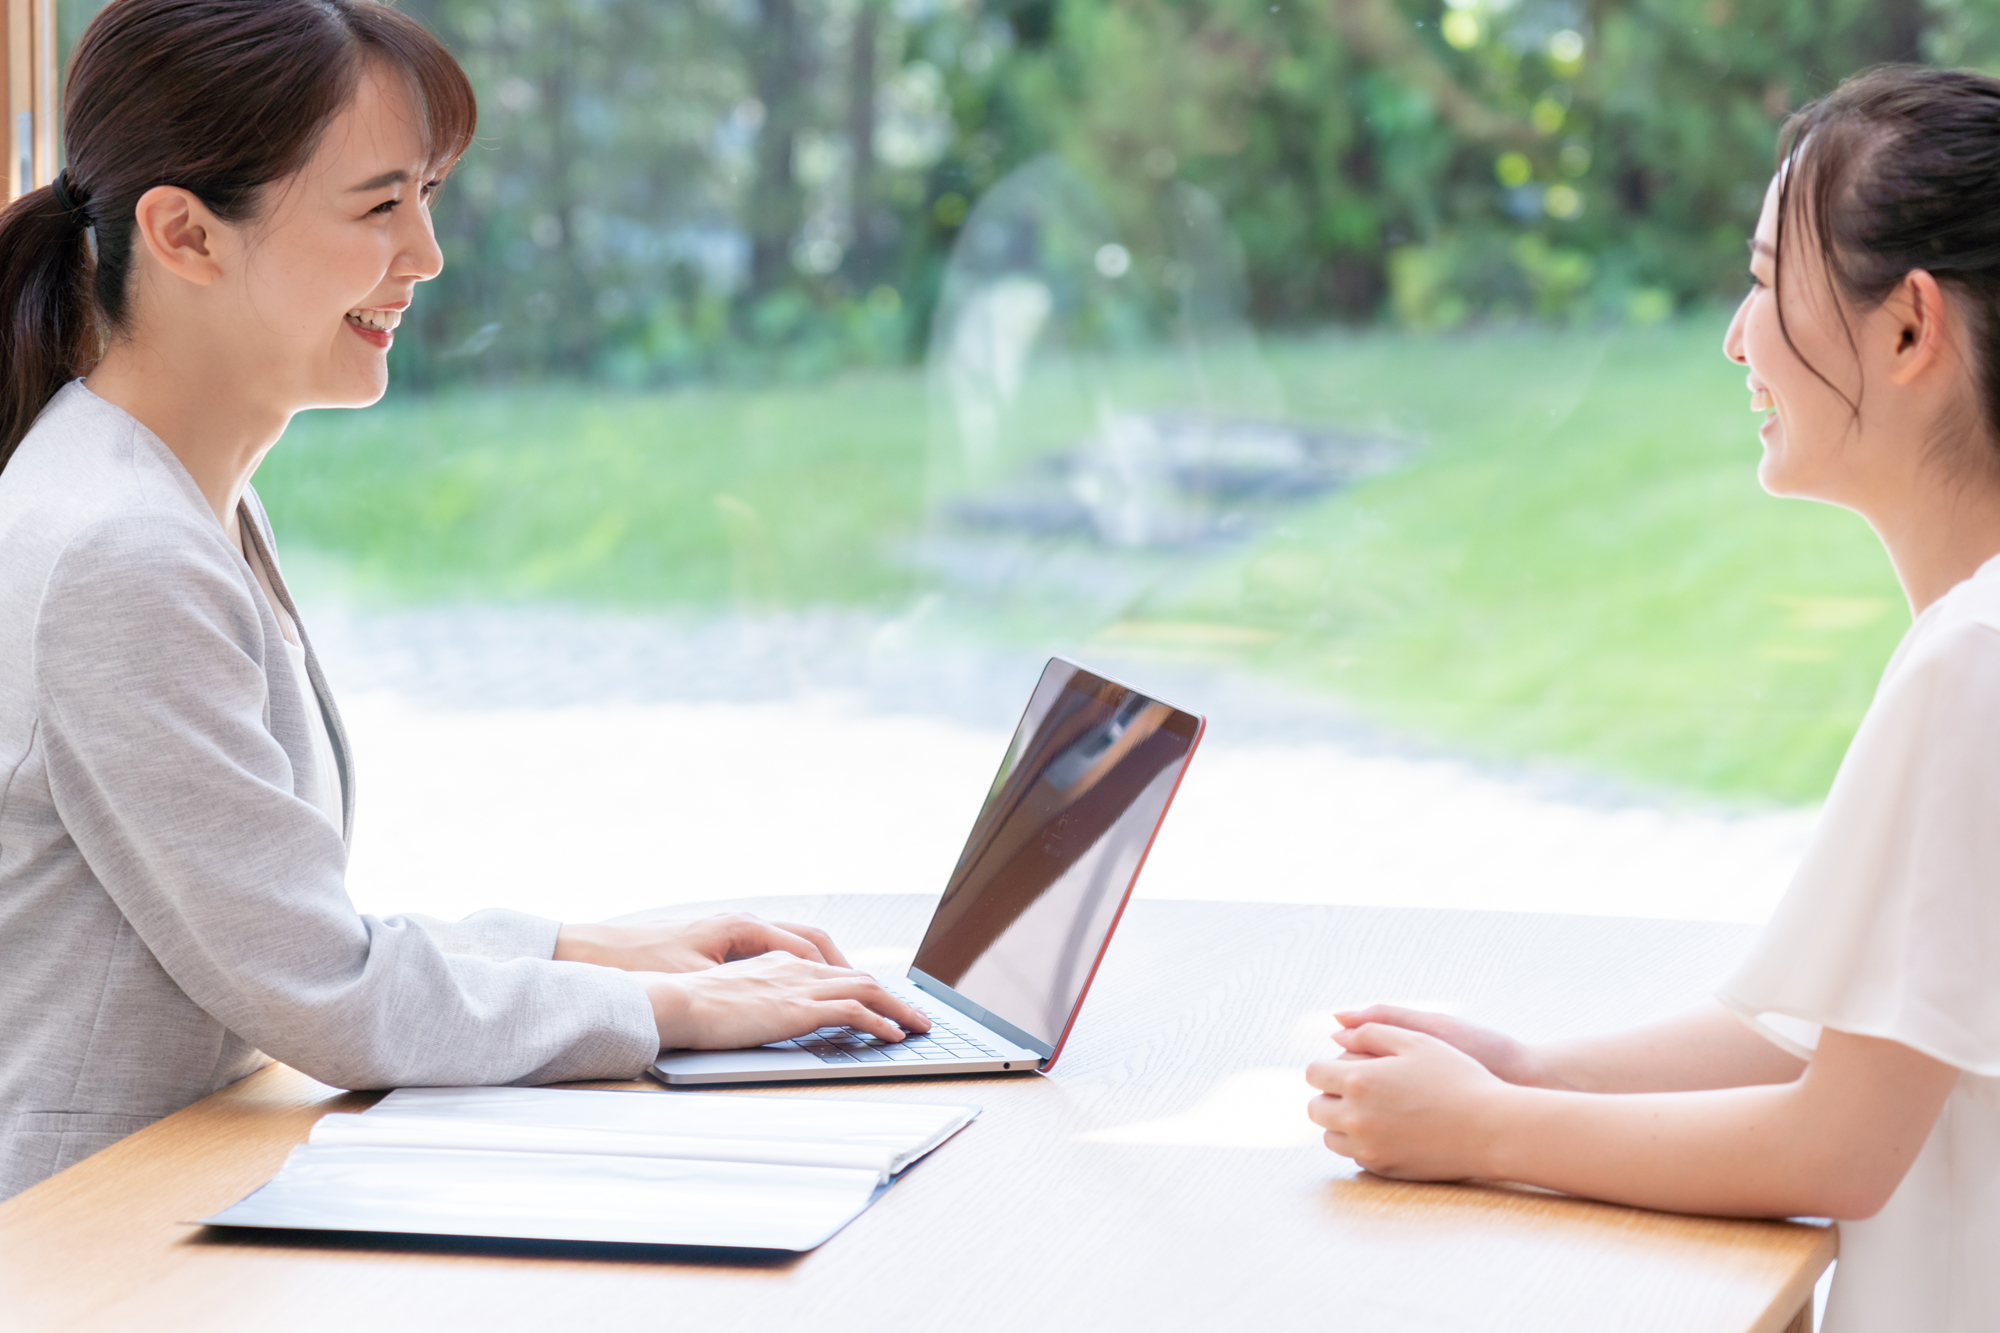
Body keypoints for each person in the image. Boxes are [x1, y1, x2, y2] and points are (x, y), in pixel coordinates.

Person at [0, 0, 926, 1202]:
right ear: (185, 233)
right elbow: (326, 992)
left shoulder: (169, 498)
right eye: (380, 205)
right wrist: (665, 1008)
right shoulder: (118, 550)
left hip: (166, 1198)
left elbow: (277, 932)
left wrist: (573, 947)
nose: (426, 253)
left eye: (426, 194)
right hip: (84, 1249)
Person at [1304, 64, 2000, 1330]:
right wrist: (1528, 1066)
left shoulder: (1974, 660)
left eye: (1760, 281)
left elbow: (1836, 1143)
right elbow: (1842, 1032)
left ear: (1907, 329)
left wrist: (1486, 1128)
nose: (1734, 337)